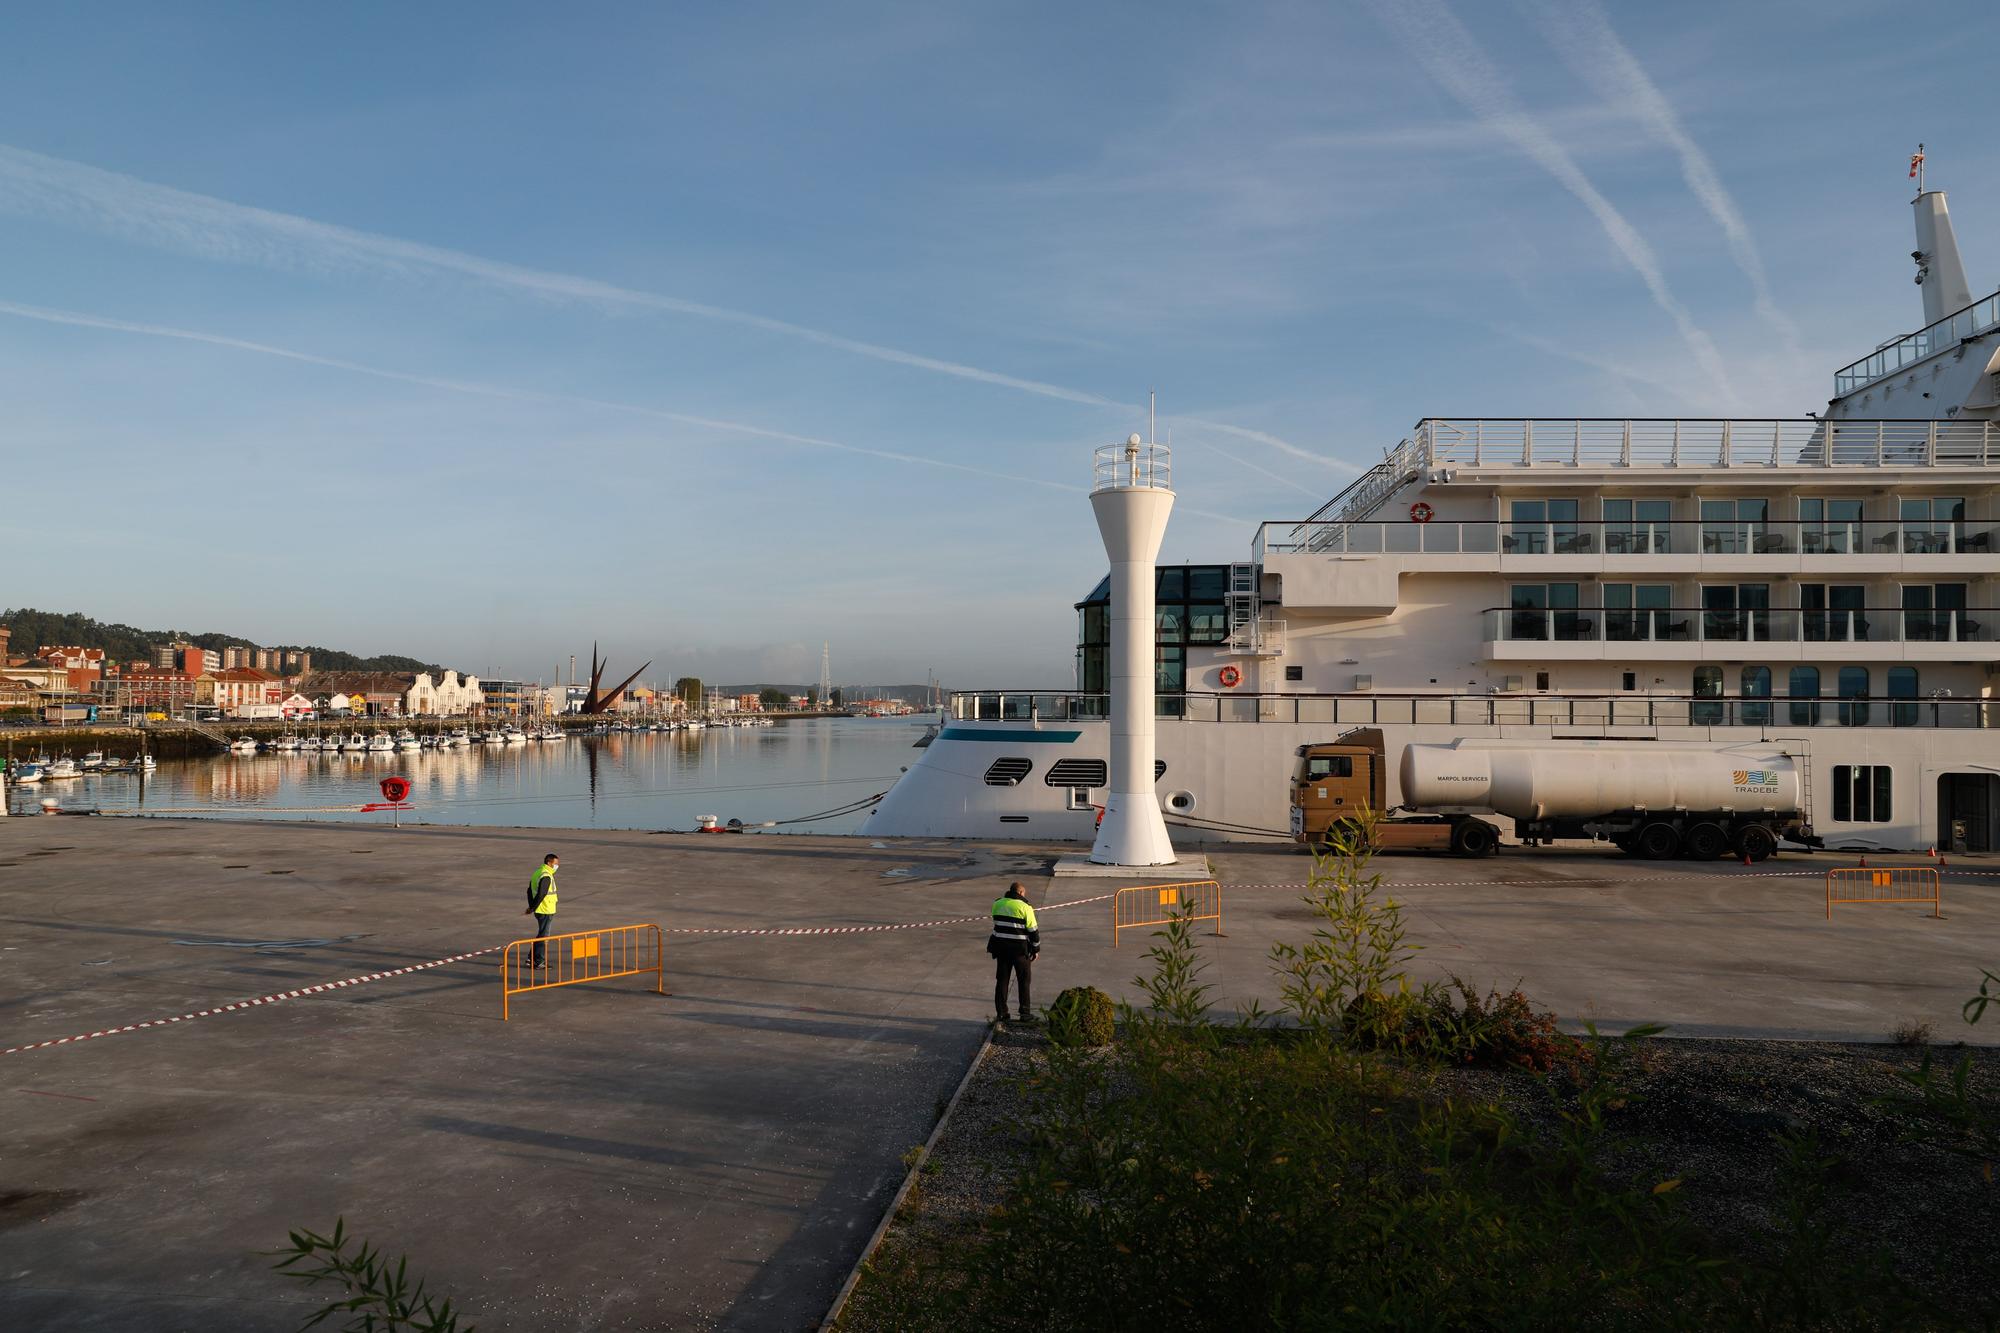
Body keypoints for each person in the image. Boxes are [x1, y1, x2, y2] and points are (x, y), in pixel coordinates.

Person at [987, 882, 1040, 1023]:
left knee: (1002, 981)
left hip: (1001, 949)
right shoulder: (1026, 907)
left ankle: (1002, 1013)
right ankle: (1025, 1014)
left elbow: (996, 921)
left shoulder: (997, 904)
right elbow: (1033, 931)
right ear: (1021, 893)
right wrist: (1036, 949)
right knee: (1024, 981)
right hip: (1020, 951)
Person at [524, 853, 559, 968]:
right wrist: (532, 908)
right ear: (549, 863)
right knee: (544, 936)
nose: (557, 865)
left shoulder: (538, 872)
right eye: (556, 863)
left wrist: (531, 907)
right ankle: (539, 961)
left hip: (540, 909)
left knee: (541, 934)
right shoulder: (546, 876)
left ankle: (531, 958)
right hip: (545, 909)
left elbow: (529, 891)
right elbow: (541, 894)